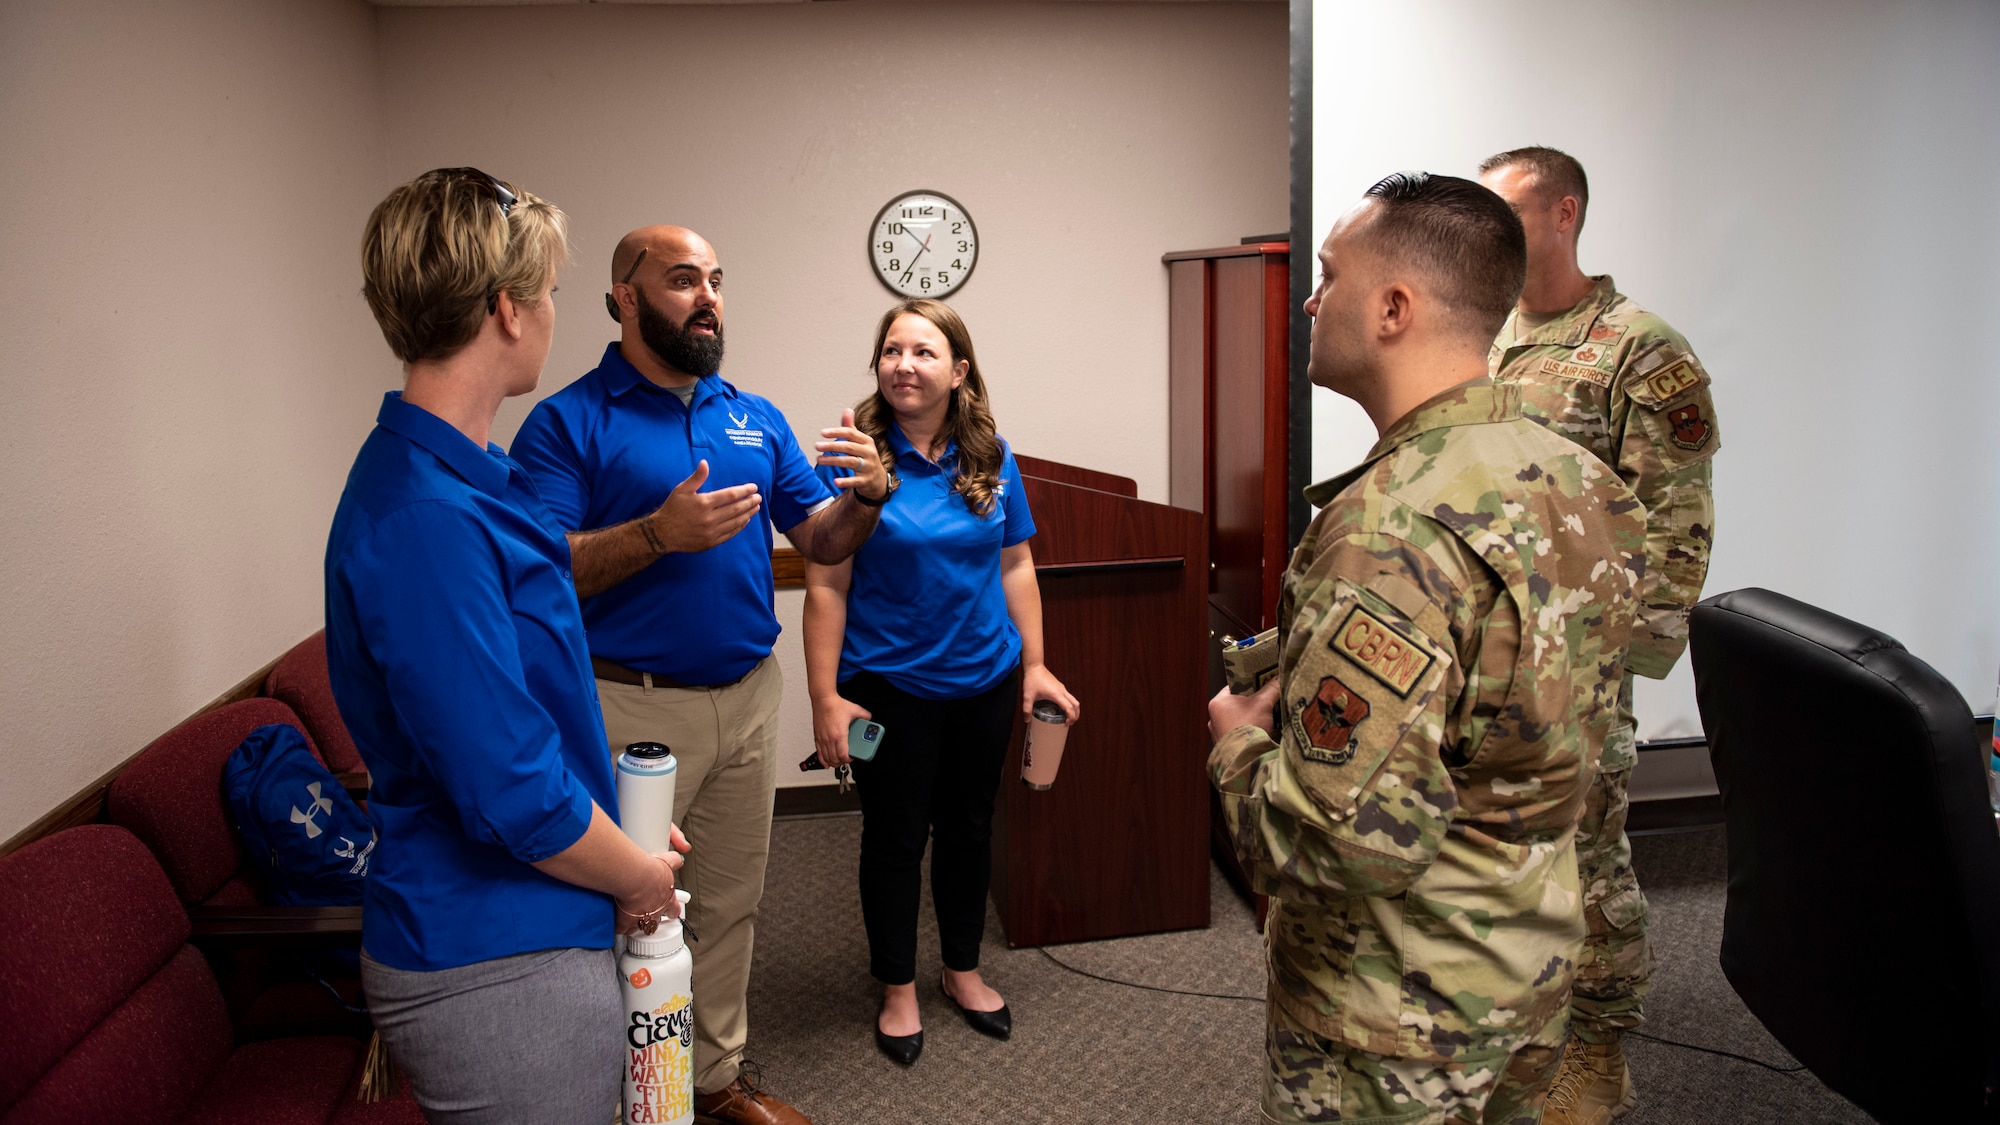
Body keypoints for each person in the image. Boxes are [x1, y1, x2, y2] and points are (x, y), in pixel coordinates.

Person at [1206, 172, 1648, 1125]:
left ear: (1395, 307)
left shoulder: (1390, 525)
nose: (1314, 301)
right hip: (1530, 975)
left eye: (1328, 276)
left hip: (1395, 1014)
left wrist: (1235, 740)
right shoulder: (1586, 483)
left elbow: (1329, 843)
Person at [327, 168, 687, 1123]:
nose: (555, 312)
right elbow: (506, 780)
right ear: (505, 308)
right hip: (490, 957)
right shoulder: (422, 517)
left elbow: (523, 708)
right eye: (554, 290)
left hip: (540, 909)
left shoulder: (472, 475)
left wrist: (613, 823)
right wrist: (637, 871)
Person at [510, 225, 887, 1125]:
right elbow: (535, 569)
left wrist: (869, 496)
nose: (708, 296)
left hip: (749, 700)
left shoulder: (752, 414)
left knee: (727, 902)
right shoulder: (567, 421)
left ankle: (712, 1079)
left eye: (716, 279)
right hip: (622, 707)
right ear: (625, 298)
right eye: (682, 280)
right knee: (617, 911)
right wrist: (653, 534)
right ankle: (608, 1094)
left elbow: (820, 540)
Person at [1477, 146, 1721, 1125]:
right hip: (1486, 649)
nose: (1487, 233)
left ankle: (1598, 1046)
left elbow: (1676, 523)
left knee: (1587, 860)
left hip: (1578, 659)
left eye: (1506, 213)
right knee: (1501, 854)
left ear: (1563, 213)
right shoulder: (1482, 335)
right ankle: (1522, 1029)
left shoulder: (1636, 348)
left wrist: (1621, 667)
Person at [799, 299, 1079, 1067]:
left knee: (968, 829)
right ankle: (896, 985)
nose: (903, 365)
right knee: (894, 840)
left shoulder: (991, 456)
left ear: (959, 371)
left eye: (923, 352)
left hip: (983, 679)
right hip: (888, 688)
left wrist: (1034, 662)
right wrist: (826, 696)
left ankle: (962, 969)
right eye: (891, 350)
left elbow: (1015, 563)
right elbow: (826, 585)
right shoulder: (855, 458)